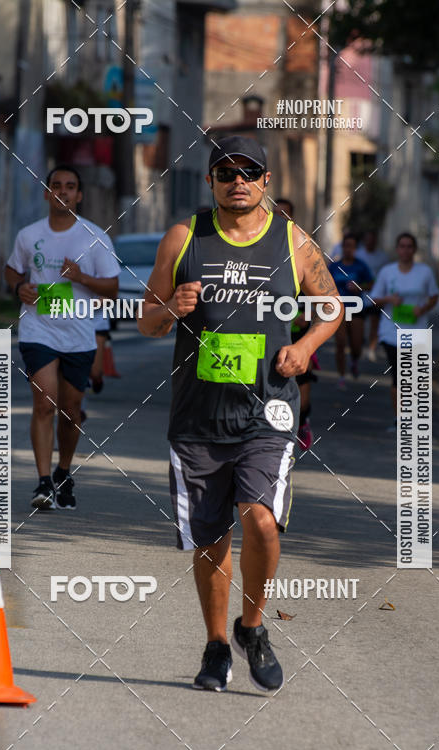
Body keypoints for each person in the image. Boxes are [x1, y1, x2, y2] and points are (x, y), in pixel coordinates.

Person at [138, 135, 342, 693]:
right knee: (210, 540)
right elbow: (145, 321)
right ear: (211, 181)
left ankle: (252, 627)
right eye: (226, 172)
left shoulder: (291, 240)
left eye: (249, 172)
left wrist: (304, 349)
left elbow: (332, 309)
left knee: (260, 520)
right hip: (198, 416)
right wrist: (169, 308)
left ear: (266, 182)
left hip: (269, 411)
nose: (238, 181)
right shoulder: (185, 238)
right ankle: (215, 647)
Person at [5, 165, 120, 509]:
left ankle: (63, 471)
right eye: (56, 186)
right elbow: (12, 269)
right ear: (47, 193)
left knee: (70, 412)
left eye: (70, 187)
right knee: (44, 404)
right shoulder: (29, 235)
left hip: (79, 335)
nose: (63, 192)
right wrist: (19, 287)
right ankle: (42, 483)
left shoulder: (95, 237)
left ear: (79, 195)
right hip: (38, 330)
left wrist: (82, 276)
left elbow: (112, 289)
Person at [369, 232, 439, 430]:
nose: (405, 250)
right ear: (397, 249)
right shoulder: (387, 272)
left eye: (409, 246)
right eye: (402, 246)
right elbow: (374, 299)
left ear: (414, 250)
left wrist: (422, 309)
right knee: (399, 375)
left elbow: (434, 296)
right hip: (391, 331)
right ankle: (400, 418)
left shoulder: (424, 272)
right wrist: (390, 300)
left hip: (417, 329)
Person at [273, 197, 317, 451]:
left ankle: (302, 421)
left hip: (300, 332)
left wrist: (307, 316)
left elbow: (321, 296)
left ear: (292, 218)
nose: (280, 219)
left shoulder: (301, 246)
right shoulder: (259, 246)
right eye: (275, 214)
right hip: (269, 331)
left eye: (285, 215)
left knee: (302, 385)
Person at [328, 234, 373, 387]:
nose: (348, 249)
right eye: (346, 245)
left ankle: (354, 360)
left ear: (355, 249)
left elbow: (371, 284)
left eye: (351, 246)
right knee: (340, 343)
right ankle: (341, 376)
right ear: (342, 247)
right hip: (338, 310)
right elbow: (323, 285)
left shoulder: (361, 266)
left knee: (356, 345)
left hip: (356, 309)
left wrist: (359, 286)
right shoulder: (334, 266)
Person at [357, 230, 389, 360]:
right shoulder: (358, 255)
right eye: (368, 239)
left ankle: (371, 348)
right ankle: (359, 346)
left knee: (375, 323)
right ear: (365, 241)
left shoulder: (383, 257)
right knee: (359, 323)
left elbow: (386, 276)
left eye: (373, 239)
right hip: (360, 295)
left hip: (376, 296)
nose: (370, 242)